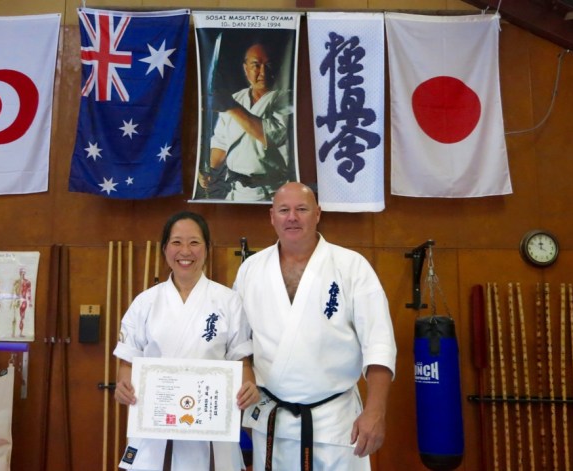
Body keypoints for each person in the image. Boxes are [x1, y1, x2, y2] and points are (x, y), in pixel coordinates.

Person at [234, 182, 397, 470]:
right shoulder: (251, 268)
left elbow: (379, 343)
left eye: (302, 209)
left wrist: (376, 411)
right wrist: (246, 381)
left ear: (318, 214)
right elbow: (239, 341)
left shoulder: (351, 266)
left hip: (336, 423)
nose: (292, 217)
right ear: (272, 216)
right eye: (284, 210)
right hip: (272, 421)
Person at [113, 211, 260, 470]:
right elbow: (128, 362)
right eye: (176, 242)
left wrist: (248, 385)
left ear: (207, 248)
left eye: (194, 242)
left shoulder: (228, 301)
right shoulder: (145, 302)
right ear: (165, 249)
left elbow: (242, 361)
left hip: (211, 427)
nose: (185, 251)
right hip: (157, 427)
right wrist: (124, 385)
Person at [198, 41, 294, 202]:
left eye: (269, 65)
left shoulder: (287, 97)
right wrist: (210, 170)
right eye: (256, 65)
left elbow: (273, 136)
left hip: (272, 193)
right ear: (245, 68)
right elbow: (221, 142)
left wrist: (231, 107)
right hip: (236, 191)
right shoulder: (236, 98)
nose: (263, 71)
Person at [11, 267, 31, 337]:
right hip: (17, 300)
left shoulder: (27, 282)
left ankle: (20, 333)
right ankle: (13, 333)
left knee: (22, 317)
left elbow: (29, 292)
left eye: (23, 272)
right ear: (19, 273)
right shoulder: (16, 281)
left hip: (23, 300)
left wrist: (30, 301)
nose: (22, 274)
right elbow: (13, 291)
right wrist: (12, 300)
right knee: (14, 316)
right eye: (21, 272)